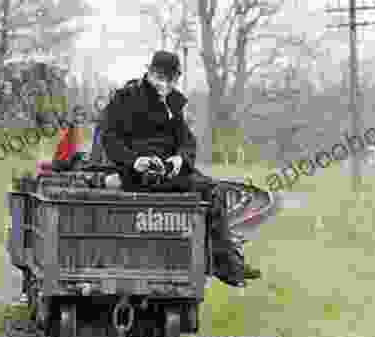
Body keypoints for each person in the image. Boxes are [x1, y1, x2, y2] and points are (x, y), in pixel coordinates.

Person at [99, 50, 261, 287]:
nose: (165, 85)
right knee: (210, 192)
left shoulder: (174, 102)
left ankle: (226, 264)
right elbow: (110, 140)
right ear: (150, 73)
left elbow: (187, 140)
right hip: (138, 174)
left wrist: (180, 160)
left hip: (169, 170)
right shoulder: (124, 98)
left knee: (211, 190)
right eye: (161, 79)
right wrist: (134, 161)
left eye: (171, 80)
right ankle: (226, 265)